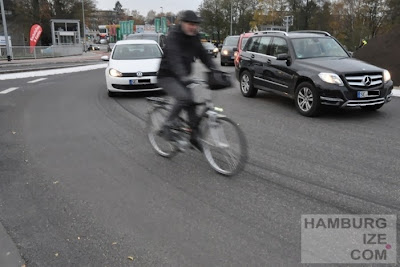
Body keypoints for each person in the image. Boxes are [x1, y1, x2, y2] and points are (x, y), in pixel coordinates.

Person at [157, 10, 217, 151]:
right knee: (184, 97)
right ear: (182, 23)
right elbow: (174, 58)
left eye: (195, 24)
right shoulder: (173, 36)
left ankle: (194, 137)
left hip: (184, 76)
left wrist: (215, 69)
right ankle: (167, 125)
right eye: (190, 24)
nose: (193, 27)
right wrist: (183, 76)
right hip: (167, 76)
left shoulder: (195, 37)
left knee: (192, 105)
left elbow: (204, 55)